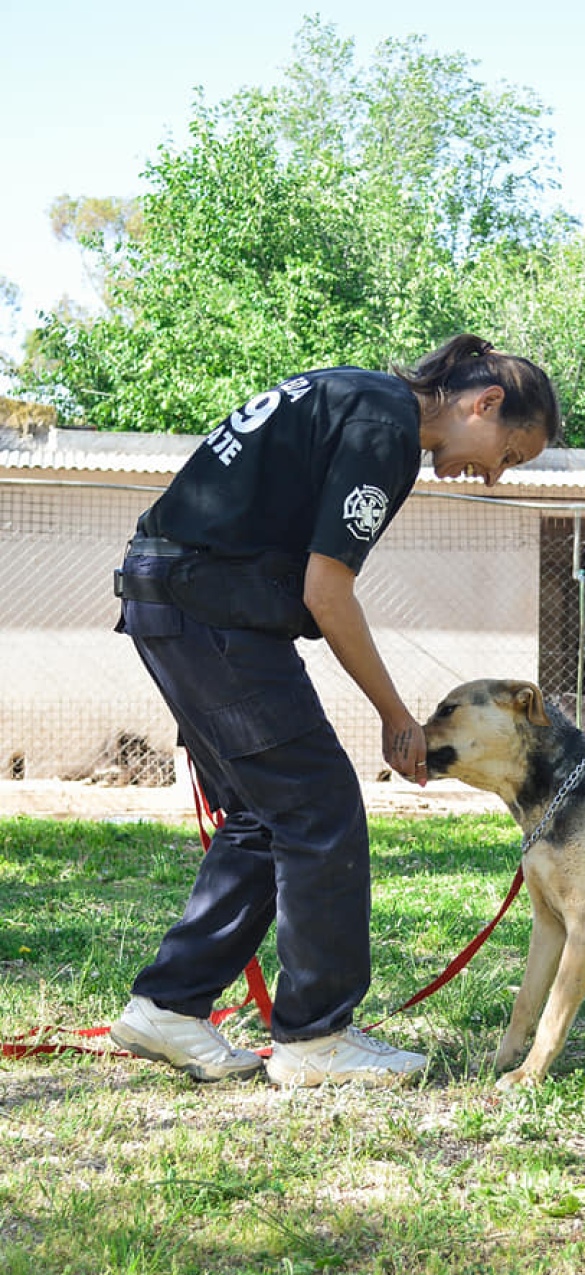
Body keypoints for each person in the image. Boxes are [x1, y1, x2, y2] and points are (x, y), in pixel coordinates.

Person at [109, 334, 560, 1087]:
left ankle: (169, 1006)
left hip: (172, 596)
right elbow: (327, 590)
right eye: (509, 453)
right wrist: (397, 717)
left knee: (267, 811)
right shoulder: (386, 428)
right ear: (484, 405)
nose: (493, 474)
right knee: (320, 805)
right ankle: (317, 1038)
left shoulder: (354, 393)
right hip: (207, 607)